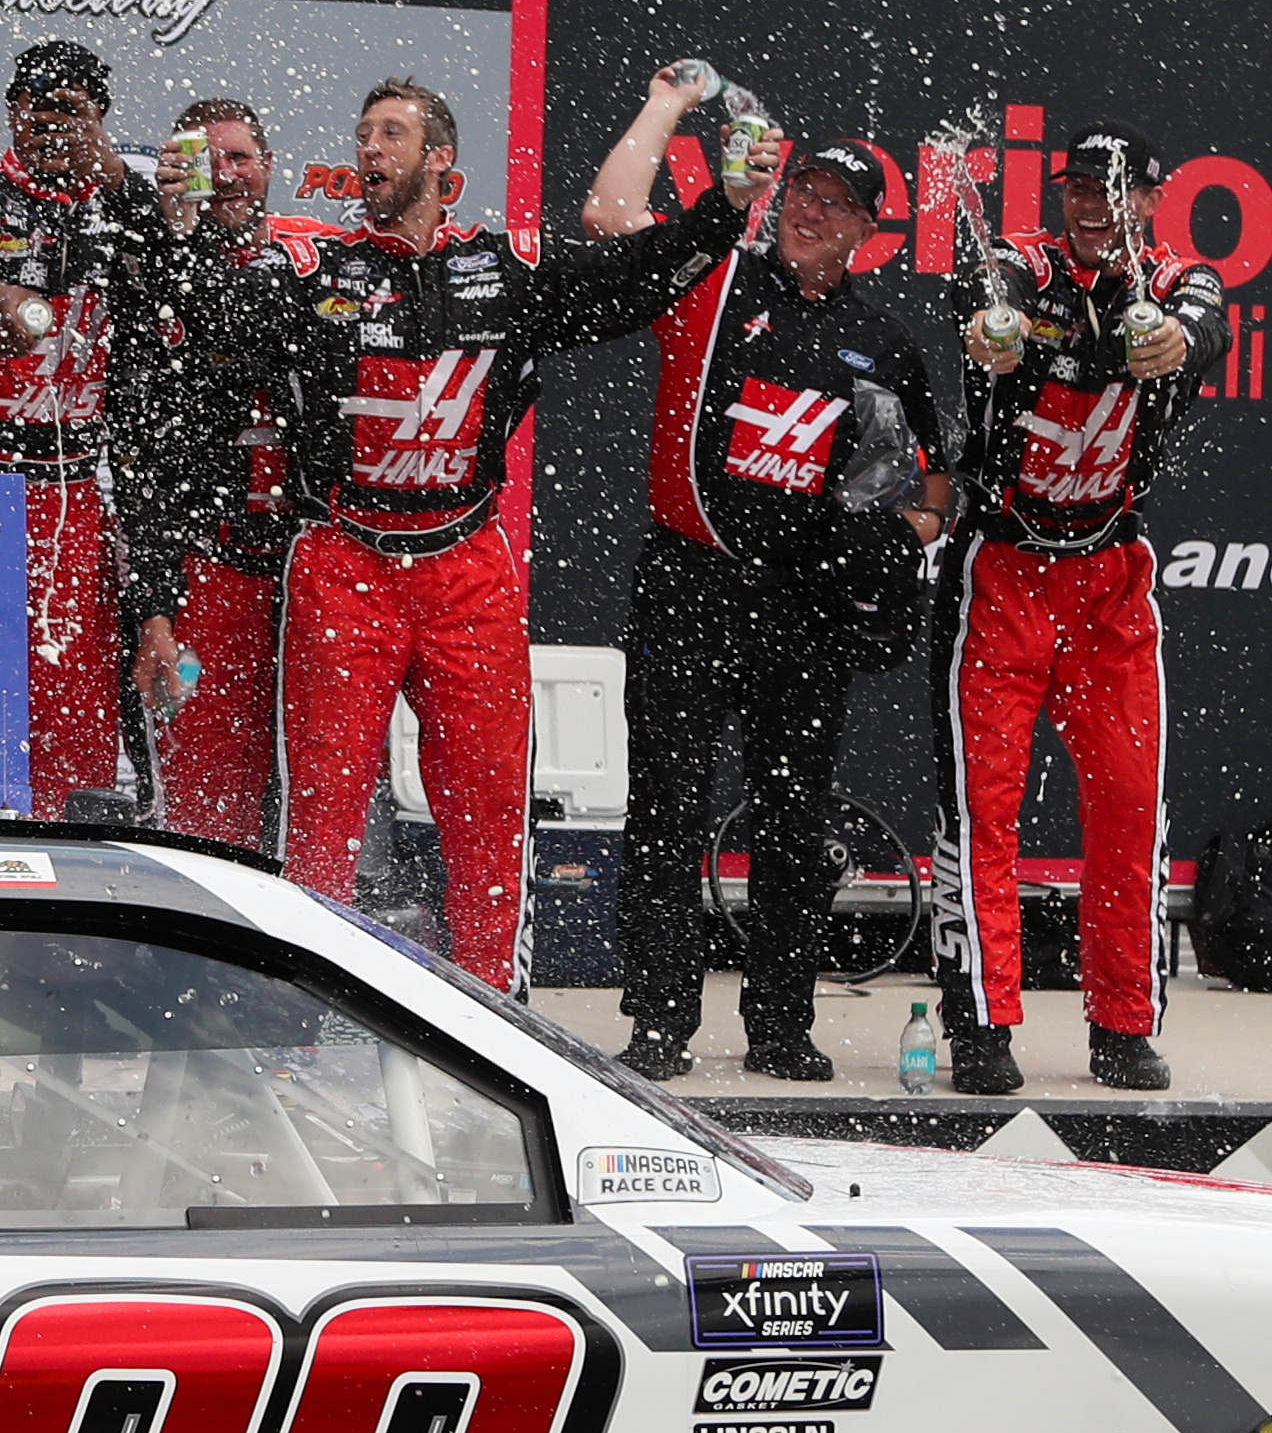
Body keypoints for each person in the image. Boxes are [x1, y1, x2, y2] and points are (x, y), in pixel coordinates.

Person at [169, 69, 726, 984]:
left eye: (390, 134)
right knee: (324, 808)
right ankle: (307, 1023)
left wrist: (724, 216)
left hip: (465, 562)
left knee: (488, 803)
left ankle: (497, 1012)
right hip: (343, 559)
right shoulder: (317, 274)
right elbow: (208, 319)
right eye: (362, 134)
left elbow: (634, 282)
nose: (369, 151)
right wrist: (185, 233)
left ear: (440, 161)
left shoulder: (505, 270)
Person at [573, 130, 956, 1082]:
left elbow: (942, 469)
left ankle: (782, 1025)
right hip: (692, 584)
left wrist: (912, 532)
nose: (809, 211)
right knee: (667, 806)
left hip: (808, 606)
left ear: (867, 231)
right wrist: (667, 105)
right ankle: (658, 1018)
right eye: (801, 191)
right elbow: (607, 219)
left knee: (793, 817)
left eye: (833, 203)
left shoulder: (884, 342)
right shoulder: (716, 282)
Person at [933, 128, 1226, 1095]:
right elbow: (989, 294)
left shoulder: (1181, 279)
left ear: (1148, 195)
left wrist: (1177, 343)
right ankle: (981, 1023)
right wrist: (991, 329)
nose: (1090, 202)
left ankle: (1124, 1024)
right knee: (986, 810)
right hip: (1006, 568)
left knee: (1130, 807)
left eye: (1110, 186)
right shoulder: (1027, 259)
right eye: (1074, 186)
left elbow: (1204, 326)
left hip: (1109, 576)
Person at [0, 43, 182, 818]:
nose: (53, 124)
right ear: (13, 111)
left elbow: (176, 292)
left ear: (100, 120)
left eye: (74, 109)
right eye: (39, 106)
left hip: (71, 493)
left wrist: (121, 185)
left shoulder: (123, 206)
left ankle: (63, 868)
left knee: (72, 716)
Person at [129, 97, 335, 849]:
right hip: (208, 571)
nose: (226, 176)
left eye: (241, 158)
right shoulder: (151, 272)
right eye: (206, 161)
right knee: (202, 803)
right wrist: (153, 608)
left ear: (271, 165)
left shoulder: (316, 260)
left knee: (321, 793)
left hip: (315, 571)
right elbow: (143, 451)